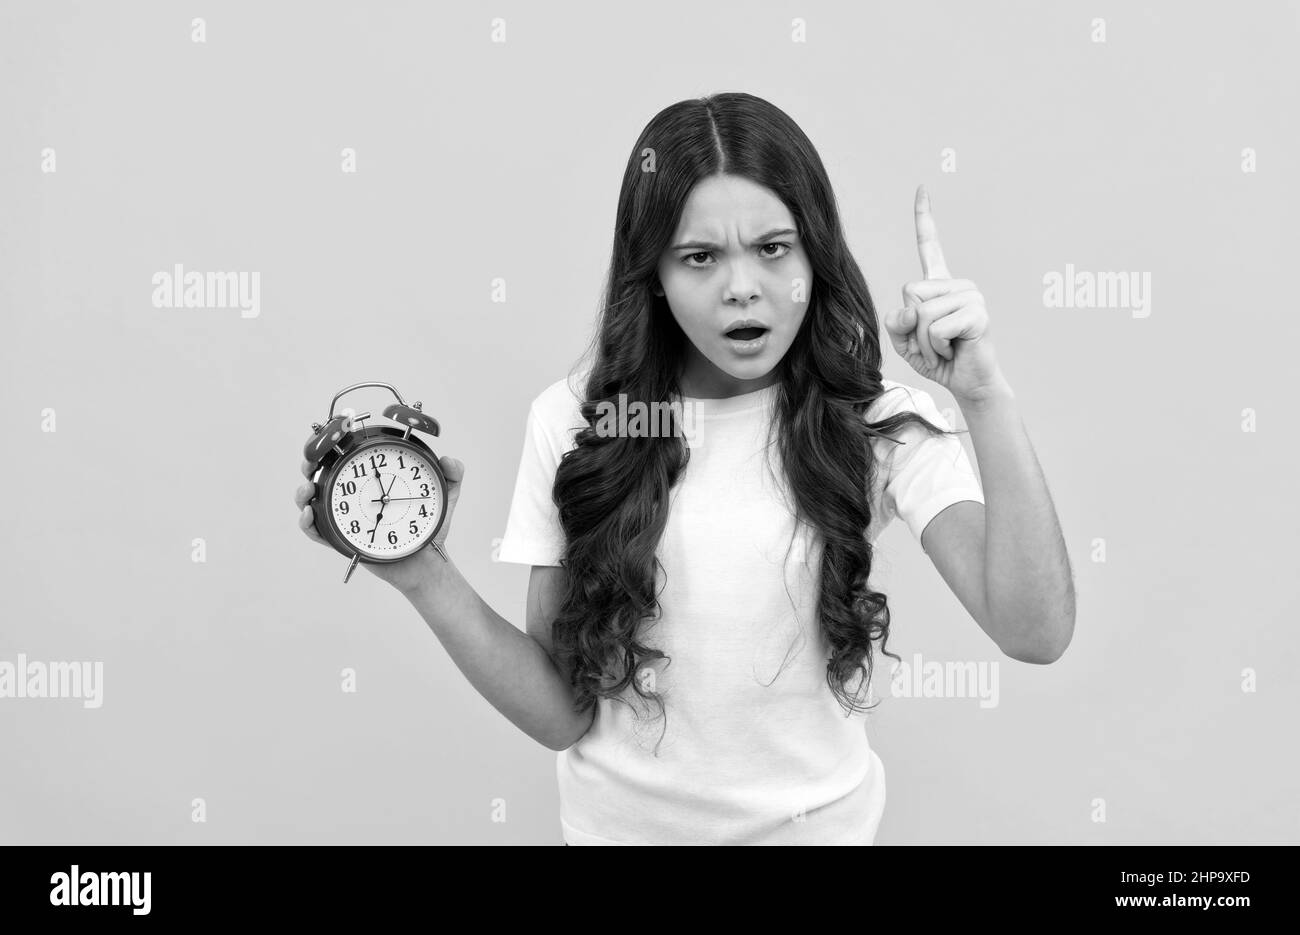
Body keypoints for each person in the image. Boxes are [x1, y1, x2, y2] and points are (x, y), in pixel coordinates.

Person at [294, 92, 1075, 845]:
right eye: (699, 257)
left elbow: (1035, 632)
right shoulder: (576, 422)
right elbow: (563, 710)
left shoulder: (872, 419)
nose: (742, 287)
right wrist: (423, 572)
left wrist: (984, 396)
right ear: (656, 277)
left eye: (773, 248)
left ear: (815, 254)